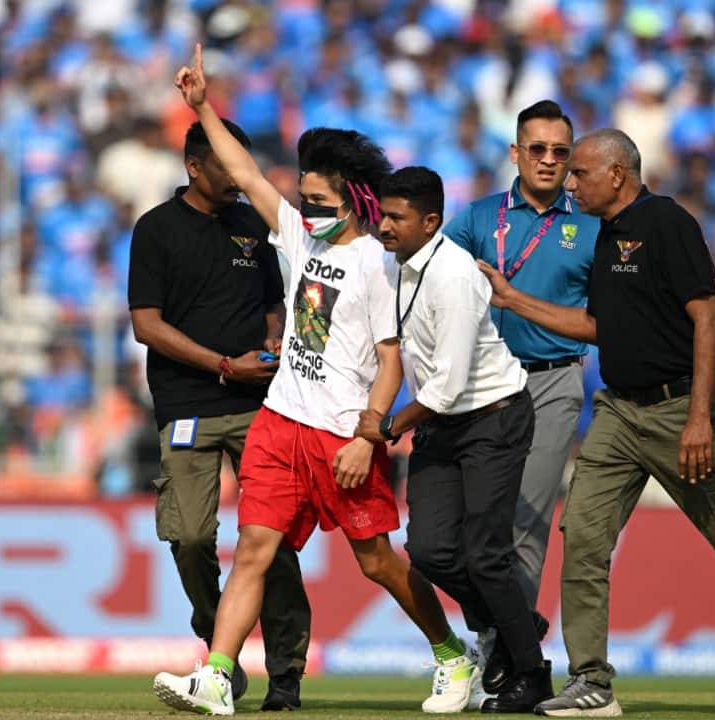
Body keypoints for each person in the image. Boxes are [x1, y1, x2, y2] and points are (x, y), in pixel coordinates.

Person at [478, 129, 715, 718]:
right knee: (585, 538)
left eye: (581, 174)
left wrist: (699, 417)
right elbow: (601, 326)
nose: (571, 183)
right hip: (619, 412)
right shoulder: (605, 237)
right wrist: (513, 300)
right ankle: (591, 680)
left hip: (680, 410)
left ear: (618, 174)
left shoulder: (668, 223)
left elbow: (708, 319)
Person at [153, 45, 473, 716]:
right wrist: (204, 105)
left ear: (354, 200)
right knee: (252, 552)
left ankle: (452, 654)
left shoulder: (380, 268)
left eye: (320, 198)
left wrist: (368, 437)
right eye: (304, 195)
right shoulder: (300, 238)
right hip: (279, 422)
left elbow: (392, 362)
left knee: (378, 562)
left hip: (340, 436)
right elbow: (244, 168)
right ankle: (216, 675)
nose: (308, 205)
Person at [127, 116, 312, 709]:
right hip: (185, 406)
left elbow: (272, 306)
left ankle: (286, 671)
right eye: (227, 167)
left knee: (271, 542)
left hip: (260, 406)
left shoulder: (252, 226)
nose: (238, 178)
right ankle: (219, 651)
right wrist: (224, 365)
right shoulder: (155, 229)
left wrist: (274, 343)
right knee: (187, 537)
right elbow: (146, 325)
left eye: (242, 166)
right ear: (193, 166)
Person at [355, 166, 552, 714]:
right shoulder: (398, 267)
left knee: (486, 555)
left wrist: (389, 425)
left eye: (397, 217)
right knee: (430, 551)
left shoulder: (455, 277)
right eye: (383, 213)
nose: (385, 225)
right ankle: (517, 622)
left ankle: (532, 675)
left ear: (432, 221)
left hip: (493, 416)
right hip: (444, 424)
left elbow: (449, 383)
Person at [441, 100, 601, 682]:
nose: (548, 160)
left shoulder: (589, 225)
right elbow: (425, 283)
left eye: (561, 151)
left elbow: (608, 314)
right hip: (481, 385)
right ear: (515, 153)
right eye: (537, 148)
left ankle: (505, 659)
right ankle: (503, 628)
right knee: (462, 532)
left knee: (524, 523)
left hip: (553, 379)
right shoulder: (477, 219)